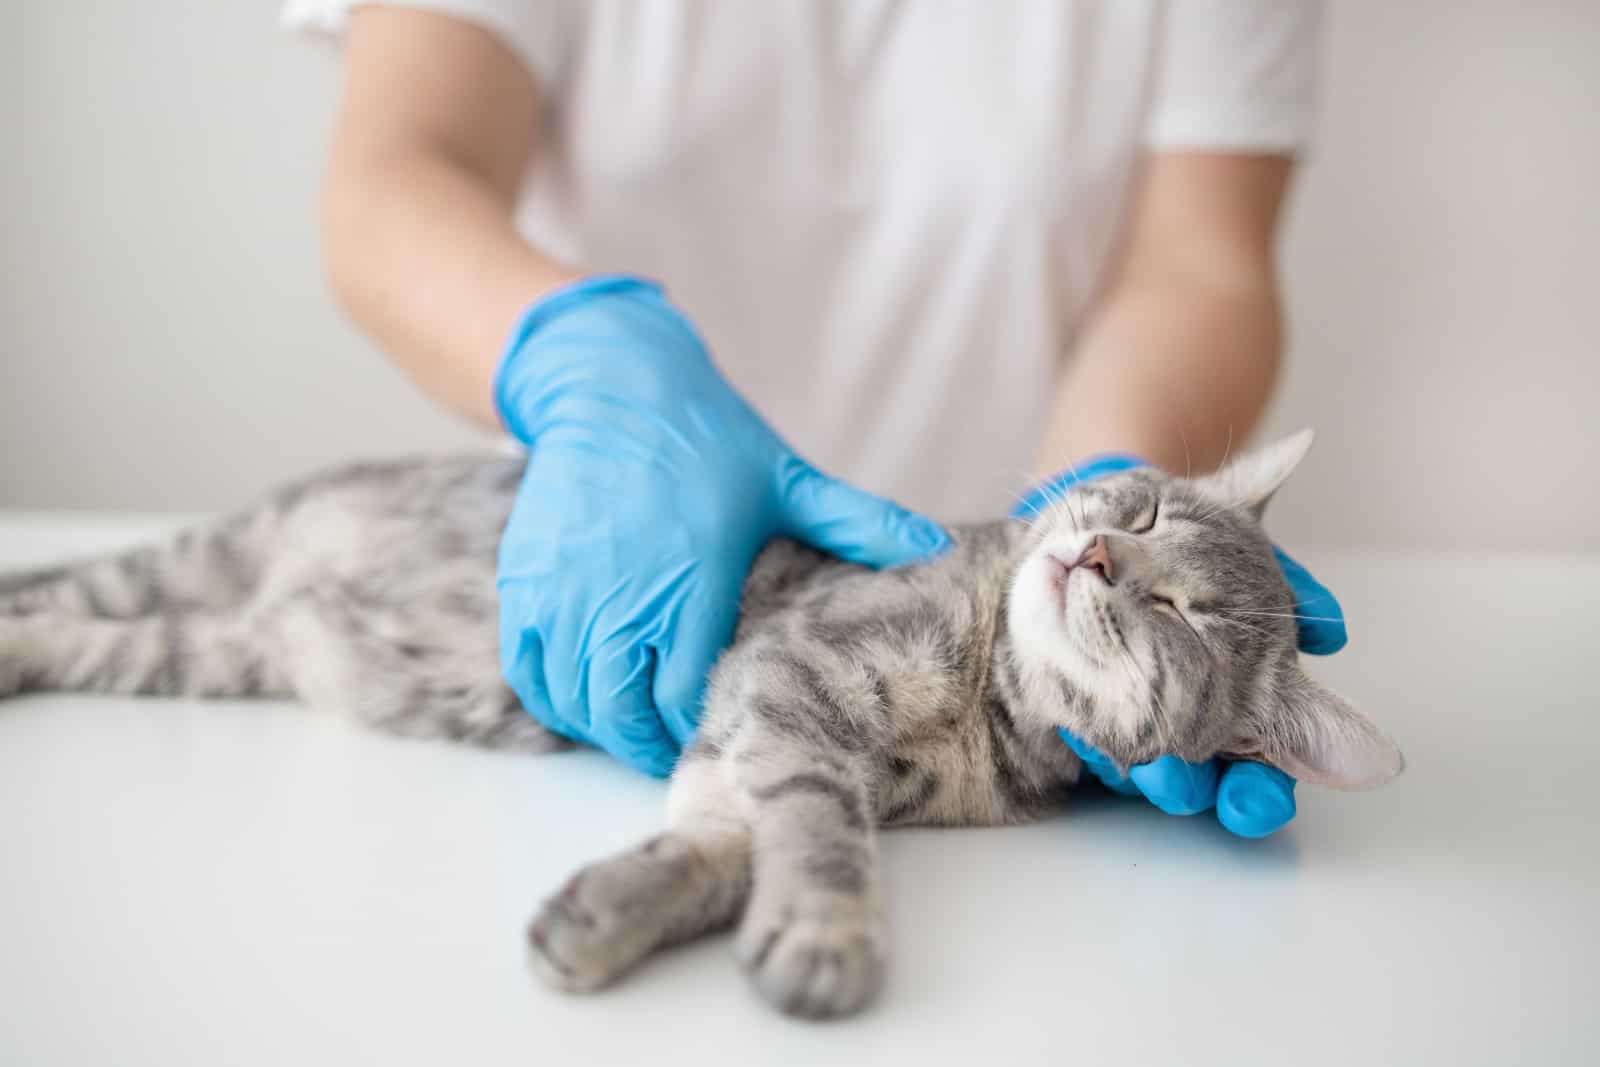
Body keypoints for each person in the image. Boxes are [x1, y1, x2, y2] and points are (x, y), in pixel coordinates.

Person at [286, 0, 1343, 836]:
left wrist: (1117, 507)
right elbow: (395, 179)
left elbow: (1196, 261)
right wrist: (588, 363)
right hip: (585, 593)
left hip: (989, 687)